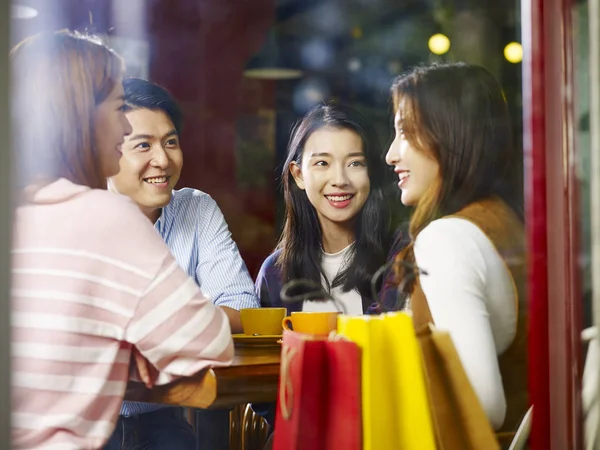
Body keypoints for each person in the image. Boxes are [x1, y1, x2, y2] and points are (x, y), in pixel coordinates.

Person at [10, 31, 233, 449]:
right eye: (117, 108)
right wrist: (131, 346)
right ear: (81, 115)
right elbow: (212, 341)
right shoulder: (106, 217)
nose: (123, 125)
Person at [105, 78, 259, 449]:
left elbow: (244, 308)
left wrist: (161, 322)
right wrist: (192, 321)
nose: (163, 159)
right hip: (89, 419)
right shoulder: (81, 211)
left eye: (170, 142)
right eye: (144, 145)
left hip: (160, 418)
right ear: (108, 150)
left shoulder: (196, 208)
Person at [384, 62, 527, 440]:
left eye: (405, 133)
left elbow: (480, 405)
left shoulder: (447, 239)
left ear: (450, 137)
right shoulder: (504, 221)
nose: (391, 154)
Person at [255, 103, 393, 314]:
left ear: (371, 172)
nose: (340, 180)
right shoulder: (275, 273)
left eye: (355, 163)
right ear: (298, 175)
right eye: (322, 163)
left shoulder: (397, 260)